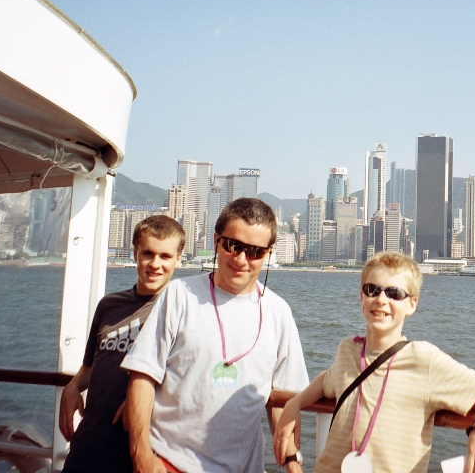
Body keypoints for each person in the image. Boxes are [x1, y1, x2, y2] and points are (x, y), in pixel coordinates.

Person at [273, 251, 475, 473]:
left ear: (411, 304)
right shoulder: (348, 349)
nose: (381, 299)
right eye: (372, 290)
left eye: (394, 293)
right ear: (361, 297)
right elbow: (328, 379)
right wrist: (296, 403)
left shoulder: (425, 360)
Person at [122, 197, 309, 473]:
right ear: (216, 242)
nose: (242, 259)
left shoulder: (278, 312)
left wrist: (293, 465)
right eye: (233, 246)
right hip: (168, 462)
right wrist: (142, 457)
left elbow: (284, 401)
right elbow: (142, 377)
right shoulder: (179, 295)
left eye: (255, 251)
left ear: (268, 253)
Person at [59, 215, 185, 473]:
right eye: (147, 253)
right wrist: (72, 388)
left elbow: (189, 380)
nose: (155, 264)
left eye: (165, 256)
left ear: (178, 259)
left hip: (140, 449)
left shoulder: (181, 312)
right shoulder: (109, 305)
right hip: (89, 445)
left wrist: (140, 399)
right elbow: (90, 367)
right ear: (134, 253)